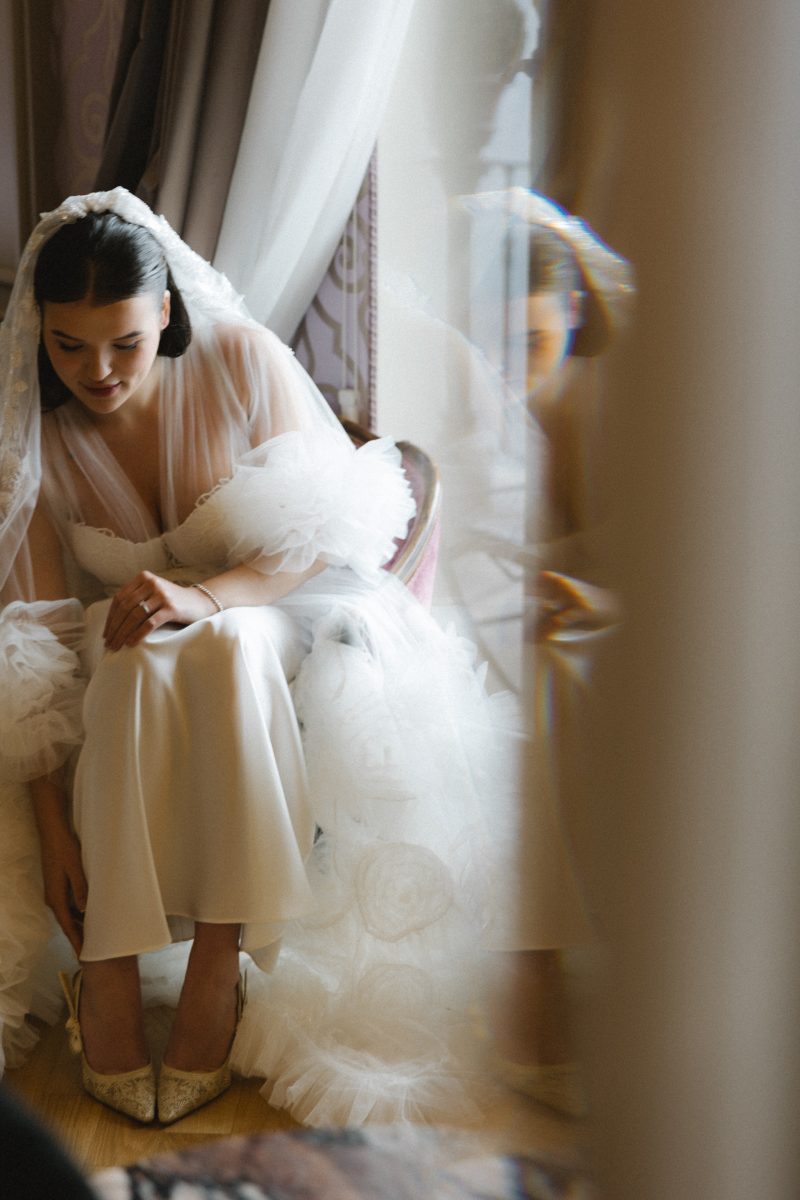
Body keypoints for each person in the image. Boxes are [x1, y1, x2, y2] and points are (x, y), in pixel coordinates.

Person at [0, 188, 514, 1127]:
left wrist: (203, 597)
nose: (98, 371)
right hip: (133, 648)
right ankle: (107, 967)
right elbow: (32, 637)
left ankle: (216, 963)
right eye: (69, 346)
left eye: (123, 342)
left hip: (275, 607)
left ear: (165, 310)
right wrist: (53, 830)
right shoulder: (38, 429)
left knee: (222, 642)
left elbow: (329, 532)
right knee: (132, 656)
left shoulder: (239, 358)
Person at [442, 189, 632, 1115]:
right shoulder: (466, 405)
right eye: (488, 341)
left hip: (620, 613)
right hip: (485, 607)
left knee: (570, 674)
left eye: (532, 339)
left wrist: (600, 599)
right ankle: (534, 981)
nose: (507, 366)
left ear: (577, 312)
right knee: (532, 684)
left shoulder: (621, 411)